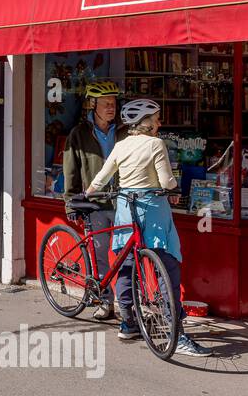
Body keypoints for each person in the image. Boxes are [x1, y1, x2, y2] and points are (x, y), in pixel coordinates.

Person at [87, 99, 210, 357]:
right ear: (146, 122)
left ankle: (128, 321)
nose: (160, 122)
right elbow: (165, 180)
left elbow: (102, 177)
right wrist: (174, 189)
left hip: (125, 208)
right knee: (166, 265)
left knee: (127, 264)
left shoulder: (121, 145)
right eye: (156, 118)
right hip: (152, 209)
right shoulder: (156, 144)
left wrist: (88, 193)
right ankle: (175, 331)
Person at [63, 80, 122, 320]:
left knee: (125, 255)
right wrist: (70, 202)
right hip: (95, 204)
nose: (111, 107)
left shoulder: (124, 131)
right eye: (106, 103)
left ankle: (128, 305)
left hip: (121, 202)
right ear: (93, 105)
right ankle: (105, 303)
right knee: (100, 258)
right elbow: (71, 170)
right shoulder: (79, 134)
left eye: (114, 103)